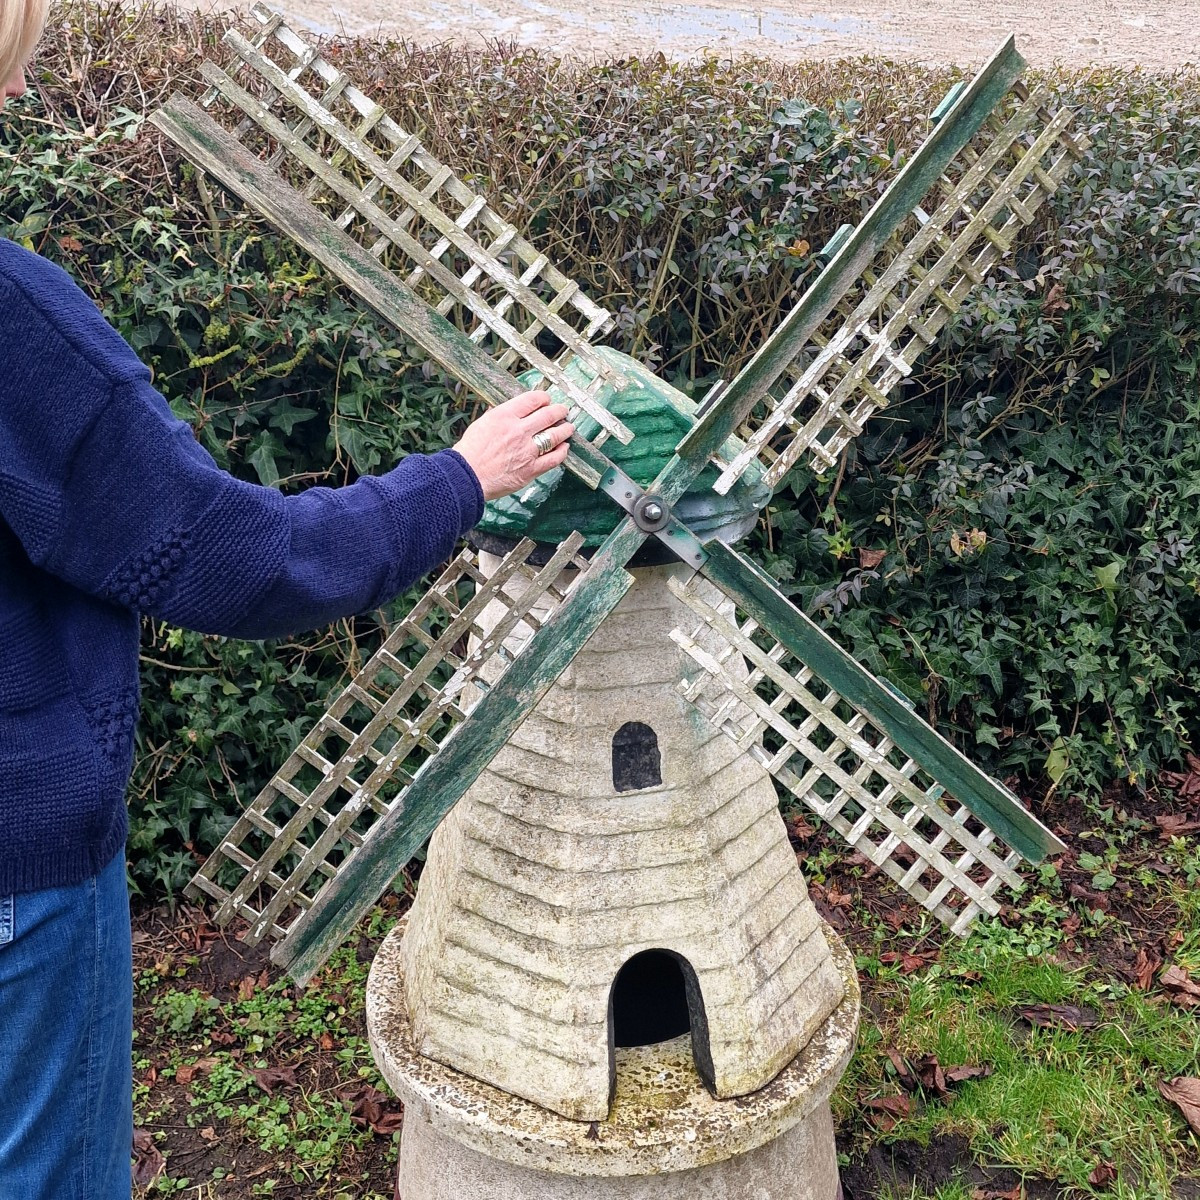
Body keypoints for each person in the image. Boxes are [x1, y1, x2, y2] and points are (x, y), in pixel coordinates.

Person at [0, 0, 574, 1193]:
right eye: (6, 67)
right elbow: (230, 556)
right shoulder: (14, 324)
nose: (14, 97)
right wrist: (459, 480)